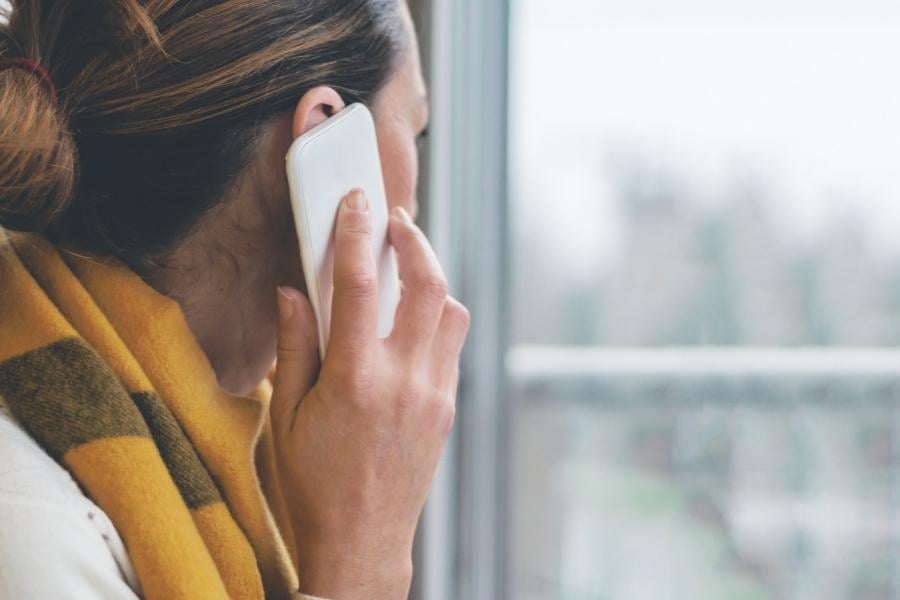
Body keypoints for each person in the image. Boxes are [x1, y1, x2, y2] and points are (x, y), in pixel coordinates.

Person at [0, 1, 469, 598]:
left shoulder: (263, 441)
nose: (417, 201)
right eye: (416, 130)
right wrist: (361, 558)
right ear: (325, 133)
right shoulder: (26, 528)